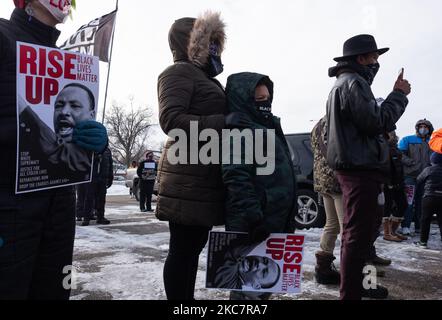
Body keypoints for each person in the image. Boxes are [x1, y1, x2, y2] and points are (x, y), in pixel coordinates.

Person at [0, 1, 107, 300]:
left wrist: (92, 143)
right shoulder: (2, 36)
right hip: (9, 210)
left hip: (59, 212)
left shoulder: (65, 59)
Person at [326, 34, 411, 300]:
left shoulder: (348, 83)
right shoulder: (353, 83)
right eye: (374, 57)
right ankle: (351, 293)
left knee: (359, 235)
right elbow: (377, 122)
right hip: (359, 171)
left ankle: (356, 288)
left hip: (359, 170)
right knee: (357, 236)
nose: (376, 63)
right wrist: (398, 95)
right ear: (361, 59)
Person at [156, 12, 228, 300]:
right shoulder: (177, 73)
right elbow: (171, 119)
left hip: (203, 175)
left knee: (192, 248)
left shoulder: (203, 77)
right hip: (188, 177)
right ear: (192, 43)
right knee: (182, 251)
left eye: (216, 43)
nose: (215, 49)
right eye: (209, 42)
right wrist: (226, 121)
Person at [222, 72, 297, 300]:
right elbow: (235, 176)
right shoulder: (240, 131)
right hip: (254, 224)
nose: (265, 103)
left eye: (268, 97)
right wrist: (254, 218)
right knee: (248, 290)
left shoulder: (267, 126)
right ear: (245, 100)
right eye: (259, 98)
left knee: (264, 287)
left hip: (274, 221)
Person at [18, 83, 102, 183]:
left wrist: (23, 110)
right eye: (58, 106)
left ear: (91, 115)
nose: (63, 111)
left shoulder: (95, 151)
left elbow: (57, 151)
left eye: (75, 106)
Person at [311, 116, 343, 285]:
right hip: (340, 179)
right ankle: (353, 273)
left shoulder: (318, 125)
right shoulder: (340, 121)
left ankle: (323, 269)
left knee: (332, 224)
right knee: (348, 228)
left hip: (323, 179)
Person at [399, 119, 434, 235]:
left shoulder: (432, 142)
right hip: (410, 176)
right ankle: (405, 226)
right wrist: (411, 162)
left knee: (422, 203)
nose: (423, 128)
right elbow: (400, 154)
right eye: (421, 126)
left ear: (429, 129)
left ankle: (419, 227)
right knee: (409, 202)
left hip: (425, 178)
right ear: (417, 128)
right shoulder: (407, 139)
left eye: (426, 127)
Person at [214, 244, 281, 293]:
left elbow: (232, 255)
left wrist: (256, 240)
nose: (260, 264)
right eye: (264, 260)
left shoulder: (230, 285)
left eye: (263, 272)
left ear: (256, 286)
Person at [383, 131, 408, 242]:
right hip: (387, 183)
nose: (392, 135)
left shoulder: (395, 148)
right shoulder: (382, 147)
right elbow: (383, 167)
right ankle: (387, 233)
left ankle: (393, 231)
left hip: (399, 182)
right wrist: (387, 182)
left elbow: (399, 167)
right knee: (386, 207)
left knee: (403, 205)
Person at [79, 147, 113, 226]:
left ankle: (100, 217)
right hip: (91, 177)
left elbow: (110, 164)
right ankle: (86, 218)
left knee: (101, 198)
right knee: (89, 198)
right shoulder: (89, 148)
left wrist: (110, 177)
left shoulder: (107, 151)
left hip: (103, 177)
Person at [415, 152, 442, 248]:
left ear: (432, 160)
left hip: (429, 197)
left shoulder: (428, 169)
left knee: (425, 219)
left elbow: (418, 180)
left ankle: (423, 242)